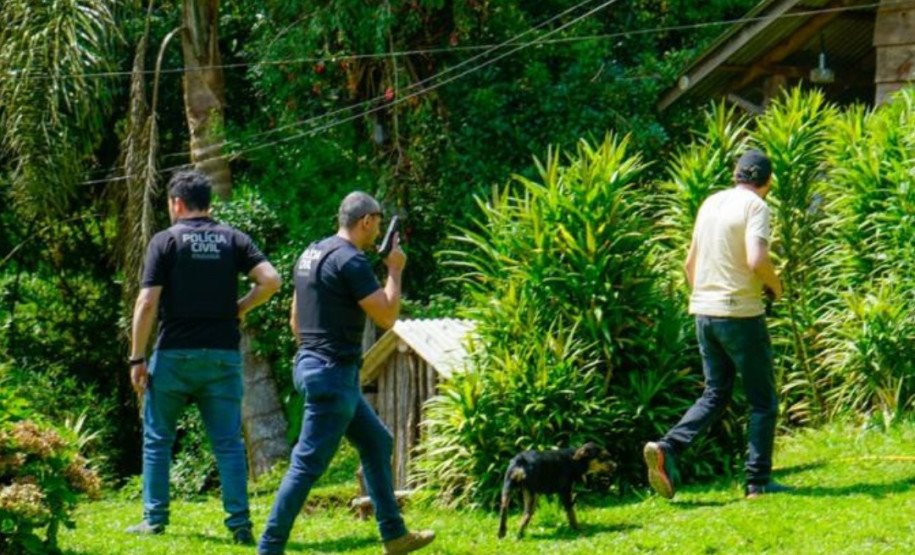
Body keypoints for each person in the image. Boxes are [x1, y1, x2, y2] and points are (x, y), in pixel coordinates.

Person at [258, 192, 434, 555]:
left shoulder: (310, 254)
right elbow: (386, 317)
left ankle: (394, 535)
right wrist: (395, 269)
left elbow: (296, 321)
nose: (379, 232)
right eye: (379, 224)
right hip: (333, 375)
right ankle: (269, 547)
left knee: (376, 442)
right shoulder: (351, 261)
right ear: (366, 221)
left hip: (313, 367)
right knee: (306, 466)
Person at [126, 170, 281, 543]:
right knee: (227, 442)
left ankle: (155, 518)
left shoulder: (165, 241)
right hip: (222, 355)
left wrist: (137, 358)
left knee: (159, 438)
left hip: (175, 354)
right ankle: (240, 525)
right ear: (207, 202)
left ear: (176, 203)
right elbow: (271, 280)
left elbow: (147, 303)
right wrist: (240, 307)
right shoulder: (234, 239)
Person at [643, 150, 792, 500]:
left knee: (715, 394)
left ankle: (668, 447)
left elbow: (688, 265)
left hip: (703, 311)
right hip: (739, 313)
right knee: (763, 400)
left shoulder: (710, 203)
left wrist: (707, 299)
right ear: (767, 183)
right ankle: (758, 482)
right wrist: (777, 286)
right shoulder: (757, 207)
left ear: (736, 175)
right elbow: (757, 259)